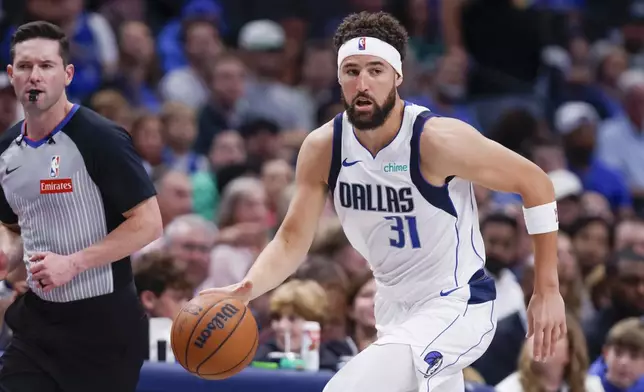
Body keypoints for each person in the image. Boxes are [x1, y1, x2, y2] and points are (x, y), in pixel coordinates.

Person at [201, 11, 566, 391]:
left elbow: (536, 184)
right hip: (391, 310)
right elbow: (291, 240)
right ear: (339, 78)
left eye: (375, 70)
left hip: (456, 304)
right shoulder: (323, 148)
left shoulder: (435, 140)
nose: (363, 83)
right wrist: (246, 288)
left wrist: (547, 290)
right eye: (352, 70)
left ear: (398, 76)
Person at [0, 21, 162, 392]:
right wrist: (6, 254)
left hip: (105, 330)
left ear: (67, 74)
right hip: (37, 325)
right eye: (24, 67)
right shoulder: (6, 149)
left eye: (46, 66)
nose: (34, 76)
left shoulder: (101, 138)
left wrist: (73, 262)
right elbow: (9, 224)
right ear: (12, 75)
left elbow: (149, 223)